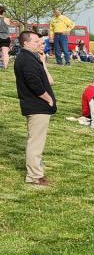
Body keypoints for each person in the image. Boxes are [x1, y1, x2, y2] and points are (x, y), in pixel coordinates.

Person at [14, 30, 56, 187]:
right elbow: (34, 83)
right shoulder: (26, 59)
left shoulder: (30, 58)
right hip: (36, 106)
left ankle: (37, 173)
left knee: (37, 142)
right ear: (26, 43)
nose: (40, 44)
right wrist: (48, 98)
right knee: (35, 143)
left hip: (37, 106)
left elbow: (46, 80)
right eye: (36, 41)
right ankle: (34, 177)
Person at [0, 6, 11, 70]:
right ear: (3, 12)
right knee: (5, 52)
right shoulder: (7, 19)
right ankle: (5, 67)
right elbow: (8, 25)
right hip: (5, 37)